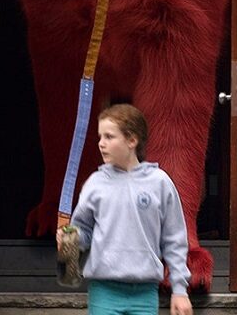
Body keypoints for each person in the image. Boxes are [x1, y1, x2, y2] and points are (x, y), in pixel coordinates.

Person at [58, 103, 193, 315]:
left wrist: (180, 290)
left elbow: (174, 239)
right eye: (100, 137)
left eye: (109, 137)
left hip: (145, 291)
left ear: (132, 140)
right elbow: (84, 231)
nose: (101, 144)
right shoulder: (95, 183)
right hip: (104, 290)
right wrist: (71, 238)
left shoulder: (159, 183)